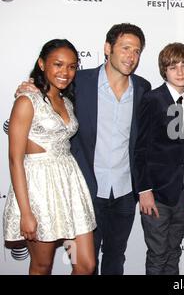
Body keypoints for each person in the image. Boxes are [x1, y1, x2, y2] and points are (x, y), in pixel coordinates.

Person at [16, 23, 151, 275]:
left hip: (124, 192)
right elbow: (48, 93)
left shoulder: (143, 88)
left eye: (137, 51)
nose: (131, 56)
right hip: (82, 192)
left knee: (115, 256)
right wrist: (29, 86)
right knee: (81, 263)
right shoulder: (80, 81)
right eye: (125, 48)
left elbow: (146, 141)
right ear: (107, 48)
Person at [3, 39, 96, 275]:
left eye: (72, 66)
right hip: (39, 191)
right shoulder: (27, 101)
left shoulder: (66, 100)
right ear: (42, 64)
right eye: (58, 64)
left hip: (69, 188)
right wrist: (26, 213)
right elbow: (15, 160)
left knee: (85, 265)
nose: (65, 72)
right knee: (42, 266)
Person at [133, 42, 184, 275]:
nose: (180, 72)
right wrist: (144, 190)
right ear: (164, 70)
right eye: (173, 67)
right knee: (158, 254)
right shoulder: (152, 99)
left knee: (174, 251)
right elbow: (139, 148)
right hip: (157, 193)